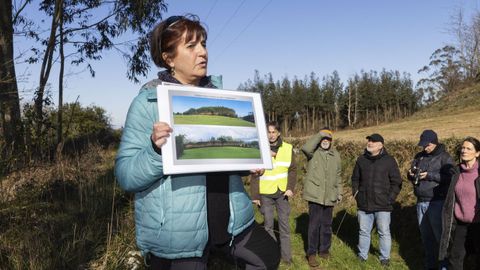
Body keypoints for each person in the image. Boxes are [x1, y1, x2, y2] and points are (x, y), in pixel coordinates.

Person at [115, 14, 280, 270]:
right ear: (168, 58)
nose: (203, 52)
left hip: (231, 220)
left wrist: (247, 162)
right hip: (179, 237)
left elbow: (215, 156)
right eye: (191, 46)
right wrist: (155, 151)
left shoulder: (221, 98)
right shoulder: (147, 104)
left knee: (268, 256)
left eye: (203, 43)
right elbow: (126, 176)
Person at [351, 133, 402, 267]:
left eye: (373, 141)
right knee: (363, 231)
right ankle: (362, 256)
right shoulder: (361, 160)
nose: (369, 143)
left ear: (381, 145)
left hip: (383, 205)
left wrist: (390, 199)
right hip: (364, 204)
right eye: (369, 141)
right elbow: (355, 179)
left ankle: (384, 257)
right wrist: (356, 194)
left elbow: (396, 182)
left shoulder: (389, 160)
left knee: (384, 232)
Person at [250, 121, 296, 265]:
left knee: (284, 226)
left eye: (273, 132)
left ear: (279, 133)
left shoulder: (288, 148)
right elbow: (254, 173)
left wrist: (290, 188)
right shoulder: (259, 149)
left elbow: (293, 170)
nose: (271, 135)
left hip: (282, 193)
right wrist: (255, 195)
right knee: (268, 226)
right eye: (268, 132)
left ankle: (287, 258)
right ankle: (272, 255)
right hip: (265, 193)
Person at [407, 130, 454, 270]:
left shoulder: (445, 157)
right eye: (422, 145)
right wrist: (410, 174)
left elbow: (451, 177)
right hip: (420, 202)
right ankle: (430, 266)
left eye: (427, 145)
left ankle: (444, 267)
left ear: (434, 142)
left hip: (437, 202)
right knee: (427, 239)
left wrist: (430, 175)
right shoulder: (419, 156)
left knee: (440, 239)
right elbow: (413, 173)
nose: (424, 148)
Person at [301, 128, 342, 267]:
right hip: (315, 195)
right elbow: (305, 148)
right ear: (319, 140)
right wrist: (320, 134)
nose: (325, 141)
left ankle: (324, 250)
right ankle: (311, 253)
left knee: (326, 225)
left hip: (330, 196)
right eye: (323, 139)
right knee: (314, 225)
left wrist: (339, 192)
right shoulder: (313, 153)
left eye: (328, 139)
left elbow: (338, 176)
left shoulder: (335, 155)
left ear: (331, 141)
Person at [439, 137, 480, 270]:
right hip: (460, 223)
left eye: (468, 148)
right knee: (454, 257)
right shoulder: (456, 172)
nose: (464, 151)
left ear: (477, 153)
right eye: (462, 148)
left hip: (478, 223)